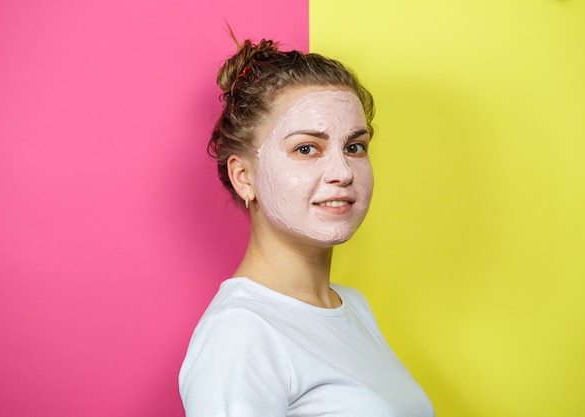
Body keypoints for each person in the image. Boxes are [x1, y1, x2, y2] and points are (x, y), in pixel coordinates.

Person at [179, 37, 435, 417]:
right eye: (306, 149)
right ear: (243, 177)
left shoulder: (352, 307)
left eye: (354, 147)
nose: (343, 173)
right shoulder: (239, 335)